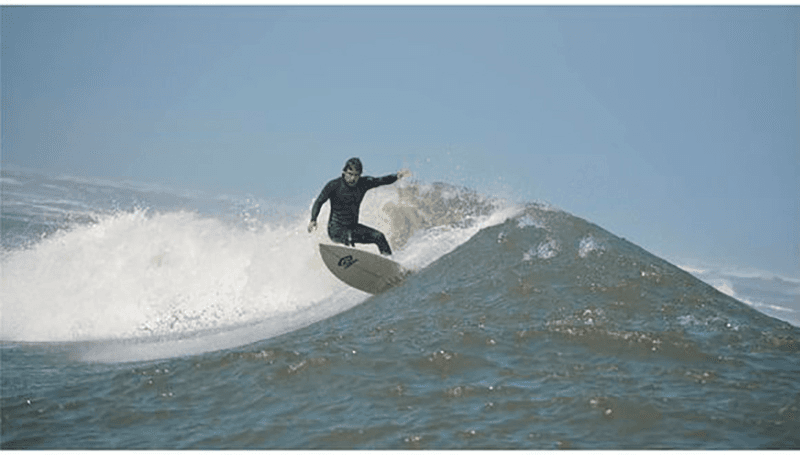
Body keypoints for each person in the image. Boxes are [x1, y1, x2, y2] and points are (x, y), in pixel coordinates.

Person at [308, 157, 410, 256]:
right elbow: (319, 202)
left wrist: (397, 176)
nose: (353, 178)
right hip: (336, 230)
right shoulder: (334, 185)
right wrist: (313, 219)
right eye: (350, 174)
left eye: (356, 175)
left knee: (379, 237)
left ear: (360, 175)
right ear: (344, 172)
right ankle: (347, 261)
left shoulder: (363, 183)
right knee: (349, 238)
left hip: (353, 227)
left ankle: (389, 264)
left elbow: (381, 180)